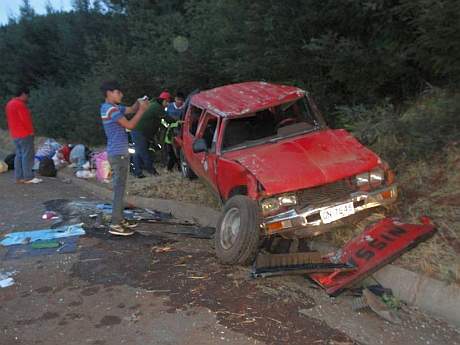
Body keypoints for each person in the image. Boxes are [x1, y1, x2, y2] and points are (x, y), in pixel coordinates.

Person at [100, 80, 149, 236]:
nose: (121, 95)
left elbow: (130, 109)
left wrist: (138, 103)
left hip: (118, 153)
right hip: (118, 154)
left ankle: (119, 218)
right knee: (119, 190)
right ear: (109, 92)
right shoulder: (110, 110)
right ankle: (115, 224)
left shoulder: (113, 108)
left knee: (120, 188)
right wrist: (141, 110)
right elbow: (129, 125)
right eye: (118, 92)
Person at [5, 86, 42, 184]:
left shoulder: (9, 104)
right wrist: (31, 131)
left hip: (15, 133)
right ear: (23, 94)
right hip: (24, 133)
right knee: (27, 155)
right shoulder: (20, 104)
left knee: (19, 155)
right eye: (27, 95)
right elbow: (25, 120)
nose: (27, 98)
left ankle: (19, 177)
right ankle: (28, 177)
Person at [164, 92, 185, 171]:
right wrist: (175, 124)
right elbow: (164, 119)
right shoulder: (168, 107)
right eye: (178, 99)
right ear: (175, 99)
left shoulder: (185, 107)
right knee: (170, 151)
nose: (179, 101)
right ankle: (169, 167)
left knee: (179, 149)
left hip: (181, 132)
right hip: (170, 131)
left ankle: (180, 167)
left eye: (181, 100)